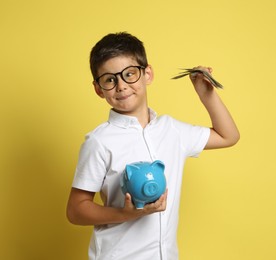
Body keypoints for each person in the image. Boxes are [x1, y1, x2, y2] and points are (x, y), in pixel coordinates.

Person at [67, 32, 240, 260]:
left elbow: (228, 136)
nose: (121, 86)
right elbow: (76, 210)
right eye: (110, 79)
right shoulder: (99, 141)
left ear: (147, 74)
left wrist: (206, 93)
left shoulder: (173, 131)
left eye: (130, 74)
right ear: (99, 89)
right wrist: (125, 213)